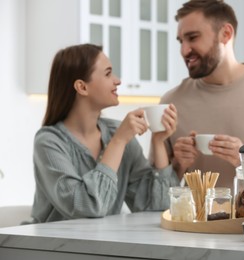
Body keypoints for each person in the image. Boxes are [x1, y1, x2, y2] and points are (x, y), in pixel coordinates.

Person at [30, 43, 179, 223]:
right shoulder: (49, 142)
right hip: (49, 248)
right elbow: (87, 206)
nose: (118, 80)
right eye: (108, 74)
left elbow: (157, 206)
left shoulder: (118, 133)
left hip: (101, 246)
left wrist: (158, 142)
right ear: (82, 87)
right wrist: (118, 142)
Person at [160, 0, 244, 189]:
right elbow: (156, 191)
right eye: (181, 41)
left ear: (226, 34)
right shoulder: (171, 102)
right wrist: (178, 164)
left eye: (193, 38)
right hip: (195, 218)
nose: (184, 50)